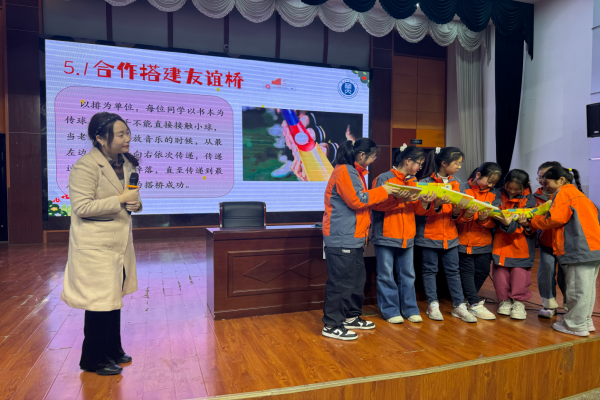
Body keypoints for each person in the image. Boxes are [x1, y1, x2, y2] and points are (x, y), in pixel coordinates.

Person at [61, 112, 142, 375]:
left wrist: (136, 204)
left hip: (118, 243)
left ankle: (112, 349)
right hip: (95, 246)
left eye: (127, 133)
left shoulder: (127, 163)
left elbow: (130, 196)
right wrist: (120, 200)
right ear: (100, 138)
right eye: (120, 134)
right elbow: (82, 207)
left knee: (113, 297)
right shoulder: (85, 166)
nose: (127, 138)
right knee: (99, 302)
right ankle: (93, 359)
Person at [322, 138, 400, 341]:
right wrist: (384, 190)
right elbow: (358, 200)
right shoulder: (345, 171)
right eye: (373, 157)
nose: (373, 161)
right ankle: (331, 324)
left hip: (353, 237)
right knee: (341, 283)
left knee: (356, 280)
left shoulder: (354, 171)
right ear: (362, 155)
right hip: (342, 237)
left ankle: (350, 316)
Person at [528, 166, 600, 336]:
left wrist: (533, 221)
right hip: (593, 247)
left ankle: (575, 325)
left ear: (561, 180)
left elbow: (555, 219)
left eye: (547, 183)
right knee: (587, 289)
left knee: (576, 289)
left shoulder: (563, 192)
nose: (545, 186)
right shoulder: (579, 194)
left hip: (578, 248)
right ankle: (585, 321)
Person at [371, 144, 436, 324]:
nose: (420, 168)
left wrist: (425, 203)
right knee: (386, 275)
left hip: (408, 235)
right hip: (386, 234)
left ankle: (410, 309)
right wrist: (400, 199)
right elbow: (375, 205)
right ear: (408, 161)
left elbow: (417, 210)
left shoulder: (414, 181)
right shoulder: (384, 178)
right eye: (419, 163)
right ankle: (390, 310)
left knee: (408, 274)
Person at [417, 147, 476, 323]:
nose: (459, 166)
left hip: (450, 236)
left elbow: (456, 216)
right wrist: (436, 204)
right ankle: (433, 304)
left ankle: (459, 305)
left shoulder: (457, 183)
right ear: (444, 163)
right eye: (457, 163)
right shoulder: (425, 182)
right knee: (430, 270)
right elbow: (419, 212)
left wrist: (458, 211)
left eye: (460, 163)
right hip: (429, 235)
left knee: (453, 271)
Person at [456, 162, 502, 320]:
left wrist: (483, 220)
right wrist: (467, 215)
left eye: (494, 183)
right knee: (467, 272)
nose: (491, 185)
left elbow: (494, 221)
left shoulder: (495, 194)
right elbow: (453, 217)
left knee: (482, 271)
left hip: (484, 241)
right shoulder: (461, 188)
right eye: (489, 181)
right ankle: (474, 303)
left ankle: (467, 300)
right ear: (478, 175)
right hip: (463, 240)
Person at [491, 169, 536, 320]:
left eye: (517, 189)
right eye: (509, 187)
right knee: (500, 271)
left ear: (526, 185)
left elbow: (531, 223)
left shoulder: (530, 200)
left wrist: (515, 224)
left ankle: (518, 302)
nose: (511, 191)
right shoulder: (497, 194)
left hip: (521, 242)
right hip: (500, 241)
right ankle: (504, 300)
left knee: (519, 272)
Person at [534, 161, 567, 318]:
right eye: (540, 177)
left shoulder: (566, 195)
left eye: (546, 177)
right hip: (546, 242)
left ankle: (570, 305)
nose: (542, 181)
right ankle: (548, 305)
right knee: (546, 272)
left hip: (566, 244)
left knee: (566, 276)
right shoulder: (535, 196)